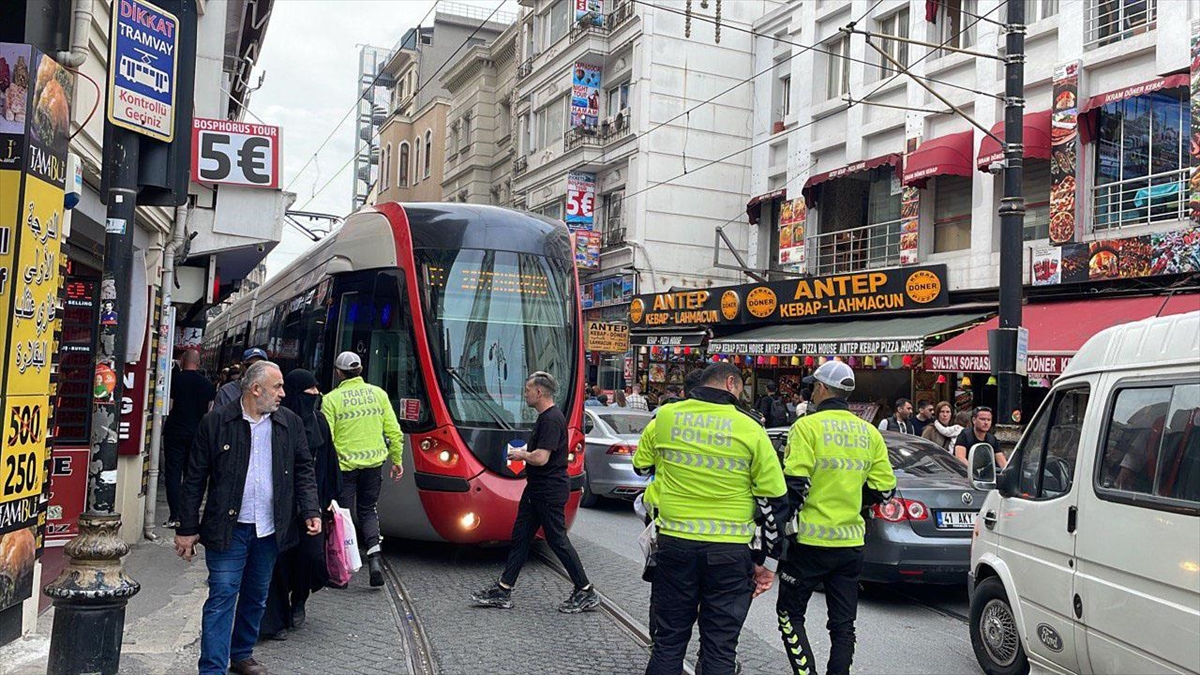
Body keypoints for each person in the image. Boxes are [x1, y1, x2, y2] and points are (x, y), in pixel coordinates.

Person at [635, 363, 788, 675]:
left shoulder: (665, 417)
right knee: (720, 649)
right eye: (742, 388)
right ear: (731, 383)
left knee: (668, 644)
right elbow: (773, 502)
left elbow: (641, 466)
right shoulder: (751, 429)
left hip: (674, 545)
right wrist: (768, 563)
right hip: (729, 554)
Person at [175, 360, 321, 675]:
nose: (283, 393)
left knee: (256, 596)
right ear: (256, 389)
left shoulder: (289, 423)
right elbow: (195, 479)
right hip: (228, 530)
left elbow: (303, 468)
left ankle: (241, 654)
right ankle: (212, 668)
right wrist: (186, 529)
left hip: (269, 529)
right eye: (277, 387)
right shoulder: (215, 423)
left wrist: (310, 509)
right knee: (222, 596)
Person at [777, 360, 896, 675]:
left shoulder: (806, 427)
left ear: (821, 388)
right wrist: (855, 501)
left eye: (813, 386)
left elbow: (794, 487)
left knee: (789, 615)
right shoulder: (869, 433)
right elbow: (885, 491)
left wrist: (777, 534)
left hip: (809, 544)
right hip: (850, 543)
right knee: (843, 625)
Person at [472, 371, 599, 613]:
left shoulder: (551, 419)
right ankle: (504, 588)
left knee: (557, 540)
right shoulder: (545, 417)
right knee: (521, 538)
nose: (525, 393)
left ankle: (585, 590)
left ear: (539, 392)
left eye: (528, 390)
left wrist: (521, 455)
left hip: (548, 491)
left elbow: (541, 458)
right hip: (536, 490)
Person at [259, 369, 343, 641]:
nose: (316, 394)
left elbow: (328, 462)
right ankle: (278, 615)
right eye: (309, 391)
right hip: (280, 506)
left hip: (312, 505)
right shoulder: (277, 422)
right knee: (280, 562)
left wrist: (330, 499)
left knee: (311, 557)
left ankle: (301, 598)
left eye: (317, 389)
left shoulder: (319, 422)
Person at [323, 351, 405, 587]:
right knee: (368, 510)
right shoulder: (378, 394)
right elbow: (394, 432)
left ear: (339, 373)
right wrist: (397, 460)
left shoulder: (331, 400)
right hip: (373, 466)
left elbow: (326, 438)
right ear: (360, 371)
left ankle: (343, 571)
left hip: (344, 469)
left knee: (344, 517)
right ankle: (375, 560)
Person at [162, 349, 216, 528]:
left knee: (173, 473)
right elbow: (210, 411)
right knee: (192, 475)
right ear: (199, 363)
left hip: (175, 432)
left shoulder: (174, 381)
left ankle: (174, 516)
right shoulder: (207, 384)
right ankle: (187, 516)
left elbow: (168, 407)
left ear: (182, 360)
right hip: (197, 434)